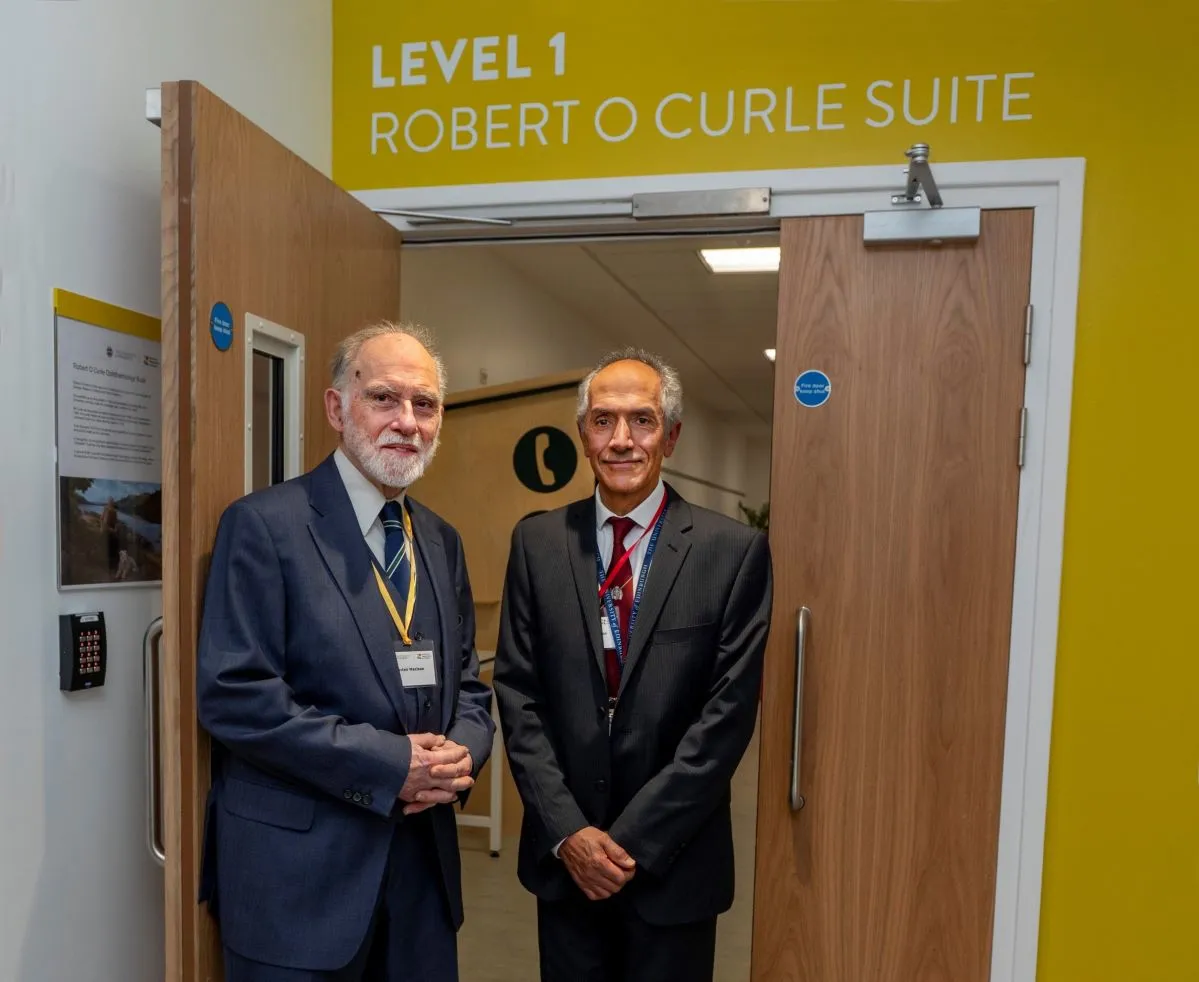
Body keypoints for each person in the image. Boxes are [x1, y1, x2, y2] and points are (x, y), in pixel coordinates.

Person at [196, 321, 494, 982]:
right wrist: (392, 764)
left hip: (420, 877)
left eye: (425, 405)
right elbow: (236, 694)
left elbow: (470, 681)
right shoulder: (265, 526)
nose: (407, 421)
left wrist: (463, 752)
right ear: (336, 409)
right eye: (384, 398)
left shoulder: (440, 541)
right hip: (300, 884)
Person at [493, 348, 773, 982]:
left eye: (641, 420)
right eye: (603, 420)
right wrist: (569, 834)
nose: (622, 439)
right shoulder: (537, 544)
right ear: (583, 435)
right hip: (567, 869)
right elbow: (518, 694)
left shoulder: (732, 553)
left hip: (673, 868)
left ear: (670, 435)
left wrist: (629, 845)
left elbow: (724, 721)